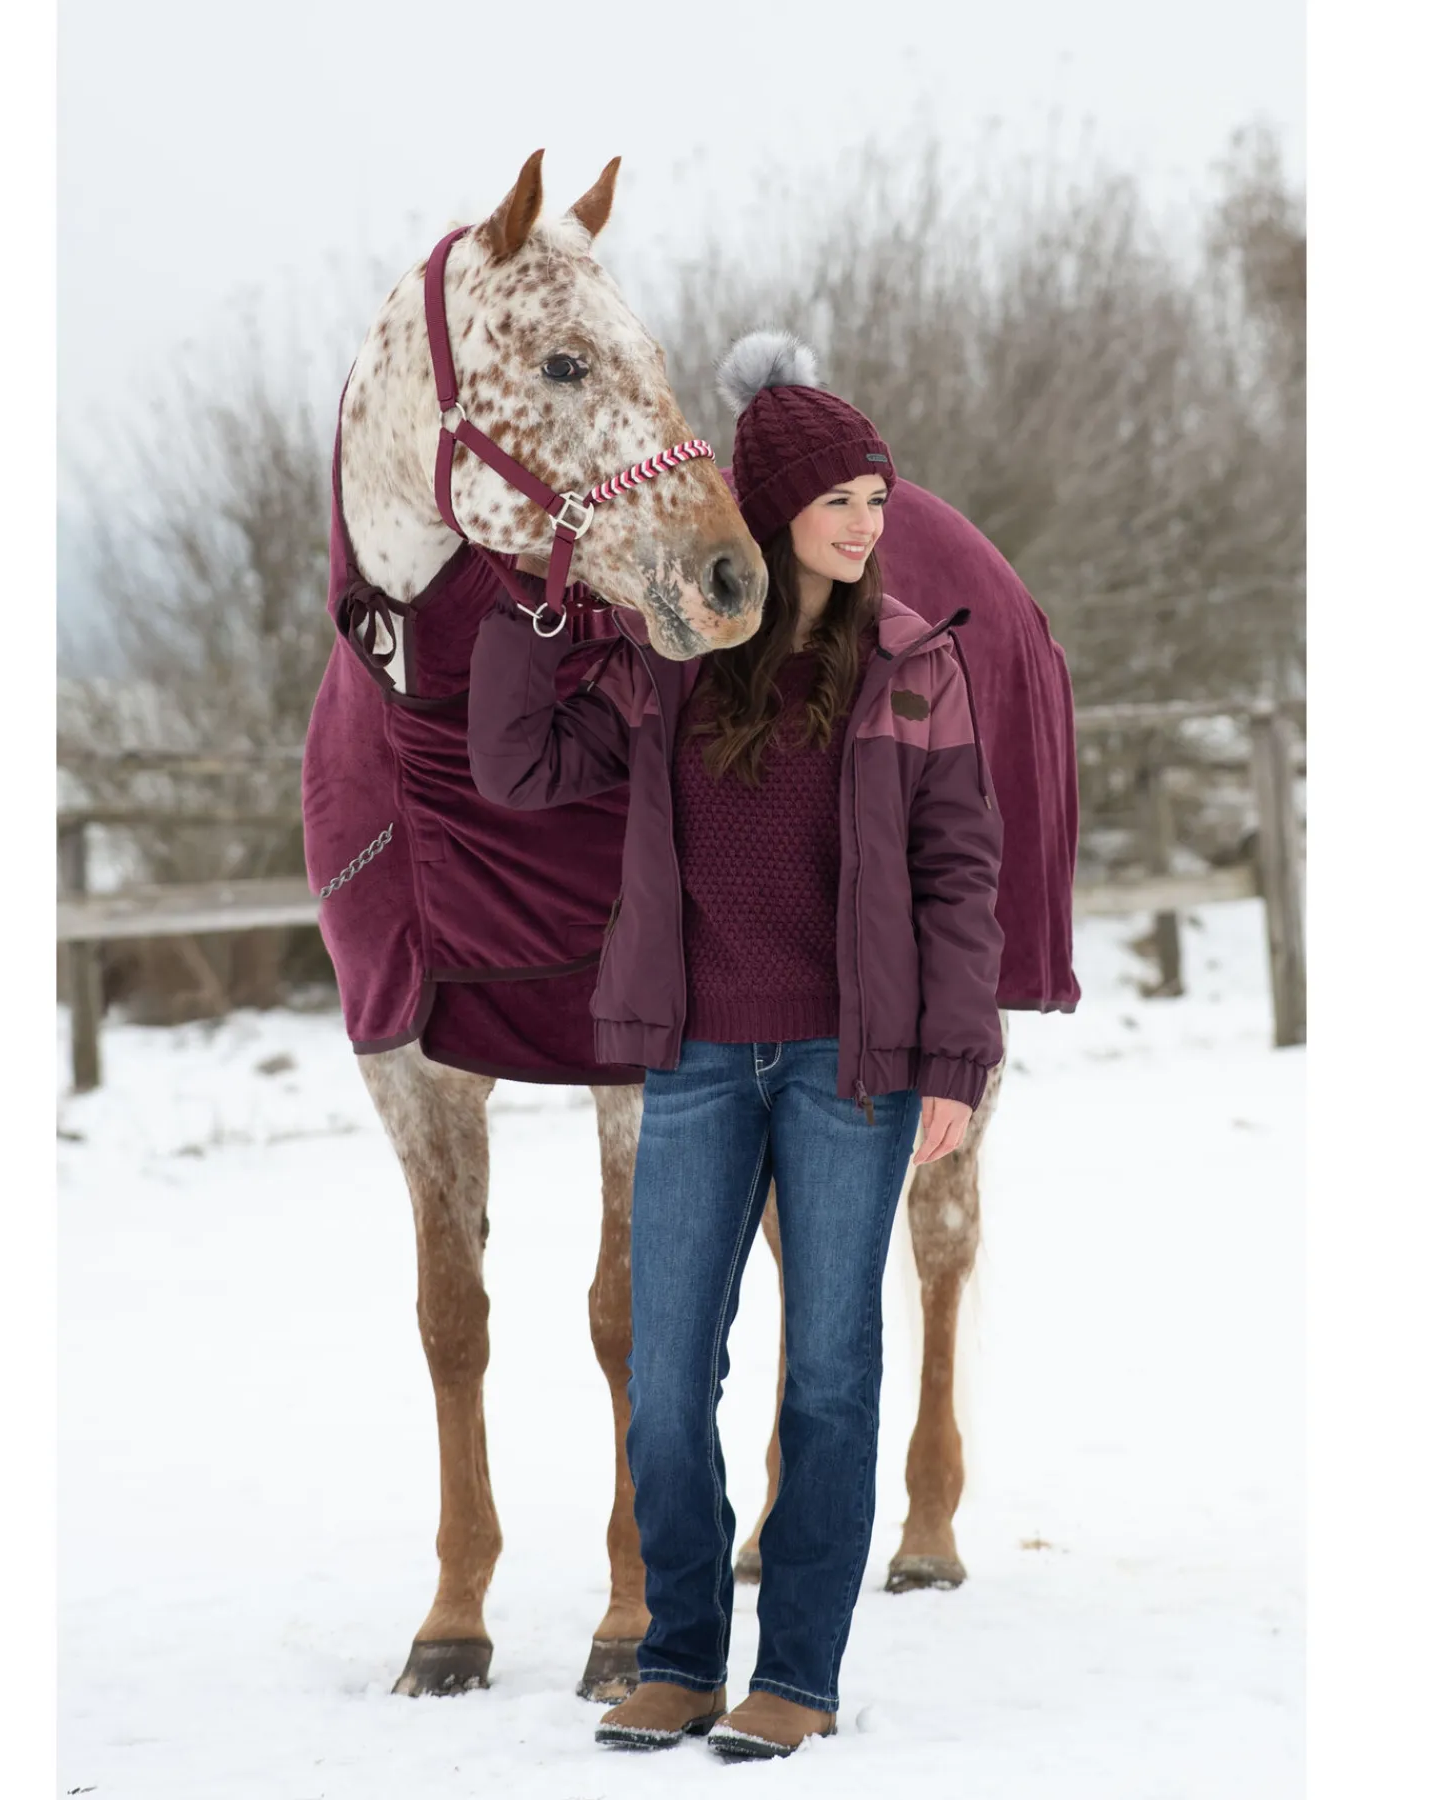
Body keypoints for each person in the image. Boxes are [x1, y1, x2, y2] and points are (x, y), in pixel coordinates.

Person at [467, 331, 1004, 1760]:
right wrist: (527, 616)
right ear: (771, 510)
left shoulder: (914, 664)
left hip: (850, 1071)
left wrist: (956, 1064)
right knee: (664, 1382)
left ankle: (800, 1675)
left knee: (827, 1376)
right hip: (696, 1060)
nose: (867, 524)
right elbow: (518, 767)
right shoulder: (669, 665)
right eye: (838, 500)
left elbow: (959, 876)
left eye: (876, 501)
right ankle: (682, 1655)